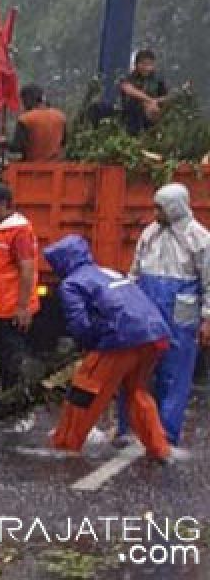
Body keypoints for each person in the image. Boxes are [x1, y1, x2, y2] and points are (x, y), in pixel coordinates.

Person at [43, 235, 172, 461]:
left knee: (84, 392)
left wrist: (89, 345)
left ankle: (65, 445)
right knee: (136, 392)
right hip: (155, 334)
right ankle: (159, 448)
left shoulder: (72, 283)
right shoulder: (107, 272)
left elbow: (79, 323)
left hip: (120, 339)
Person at [115, 183, 210, 447]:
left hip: (180, 314)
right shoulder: (151, 233)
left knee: (174, 373)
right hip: (147, 308)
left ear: (174, 208)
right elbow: (135, 272)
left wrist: (207, 319)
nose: (155, 212)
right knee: (136, 369)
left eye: (160, 207)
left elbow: (209, 283)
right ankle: (129, 428)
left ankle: (166, 435)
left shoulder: (199, 239)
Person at [0, 182, 40, 417]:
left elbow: (27, 269)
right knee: (1, 359)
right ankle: (9, 406)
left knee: (12, 362)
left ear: (1, 204)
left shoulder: (19, 231)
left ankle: (19, 410)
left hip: (10, 309)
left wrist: (22, 307)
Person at [4, 84, 66, 162]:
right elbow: (63, 142)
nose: (23, 105)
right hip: (56, 167)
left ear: (27, 99)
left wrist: (4, 144)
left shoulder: (25, 119)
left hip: (32, 169)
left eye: (23, 101)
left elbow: (17, 148)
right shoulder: (60, 116)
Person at [119, 49, 170, 136]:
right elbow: (127, 88)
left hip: (152, 115)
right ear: (136, 65)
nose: (146, 68)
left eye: (149, 64)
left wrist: (155, 103)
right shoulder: (131, 78)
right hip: (132, 114)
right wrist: (149, 101)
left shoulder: (158, 80)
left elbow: (166, 97)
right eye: (143, 64)